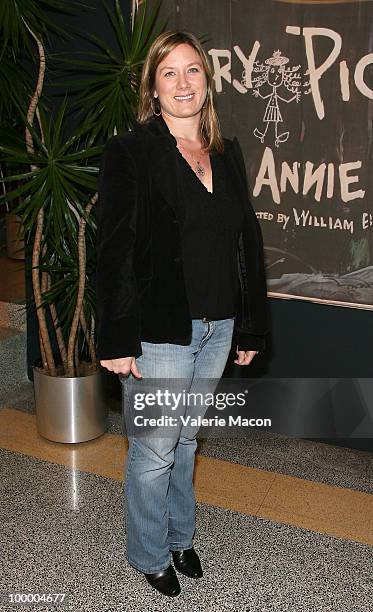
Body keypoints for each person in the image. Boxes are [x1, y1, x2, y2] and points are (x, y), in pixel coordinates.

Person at [96, 30, 268, 598]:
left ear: (207, 81)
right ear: (152, 88)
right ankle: (148, 552)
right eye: (168, 73)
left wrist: (248, 324)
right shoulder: (132, 152)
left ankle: (179, 537)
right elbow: (115, 249)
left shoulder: (227, 153)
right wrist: (118, 338)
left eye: (192, 70)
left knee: (187, 440)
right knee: (154, 448)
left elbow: (245, 243)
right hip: (162, 331)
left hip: (217, 329)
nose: (182, 83)